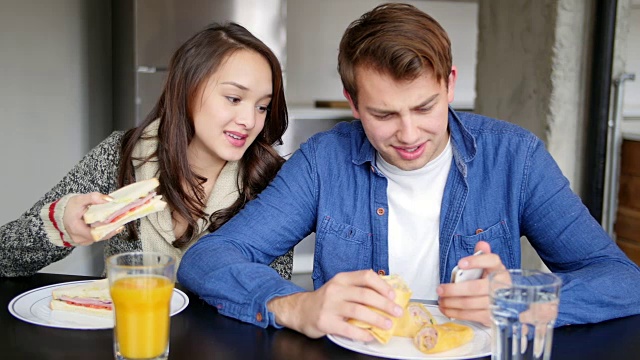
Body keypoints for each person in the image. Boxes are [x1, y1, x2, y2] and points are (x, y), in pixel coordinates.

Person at [177, 3, 640, 342]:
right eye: (384, 114)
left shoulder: (514, 158)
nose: (409, 133)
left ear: (449, 84)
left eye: (425, 107)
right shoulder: (323, 161)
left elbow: (623, 281)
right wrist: (294, 305)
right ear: (353, 104)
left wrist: (525, 295)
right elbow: (208, 258)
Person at [0, 22, 292, 279]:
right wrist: (60, 225)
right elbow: (5, 257)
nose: (249, 120)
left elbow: (274, 291)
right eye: (233, 98)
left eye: (262, 106)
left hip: (225, 342)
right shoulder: (121, 156)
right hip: (128, 335)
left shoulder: (272, 182)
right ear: (187, 90)